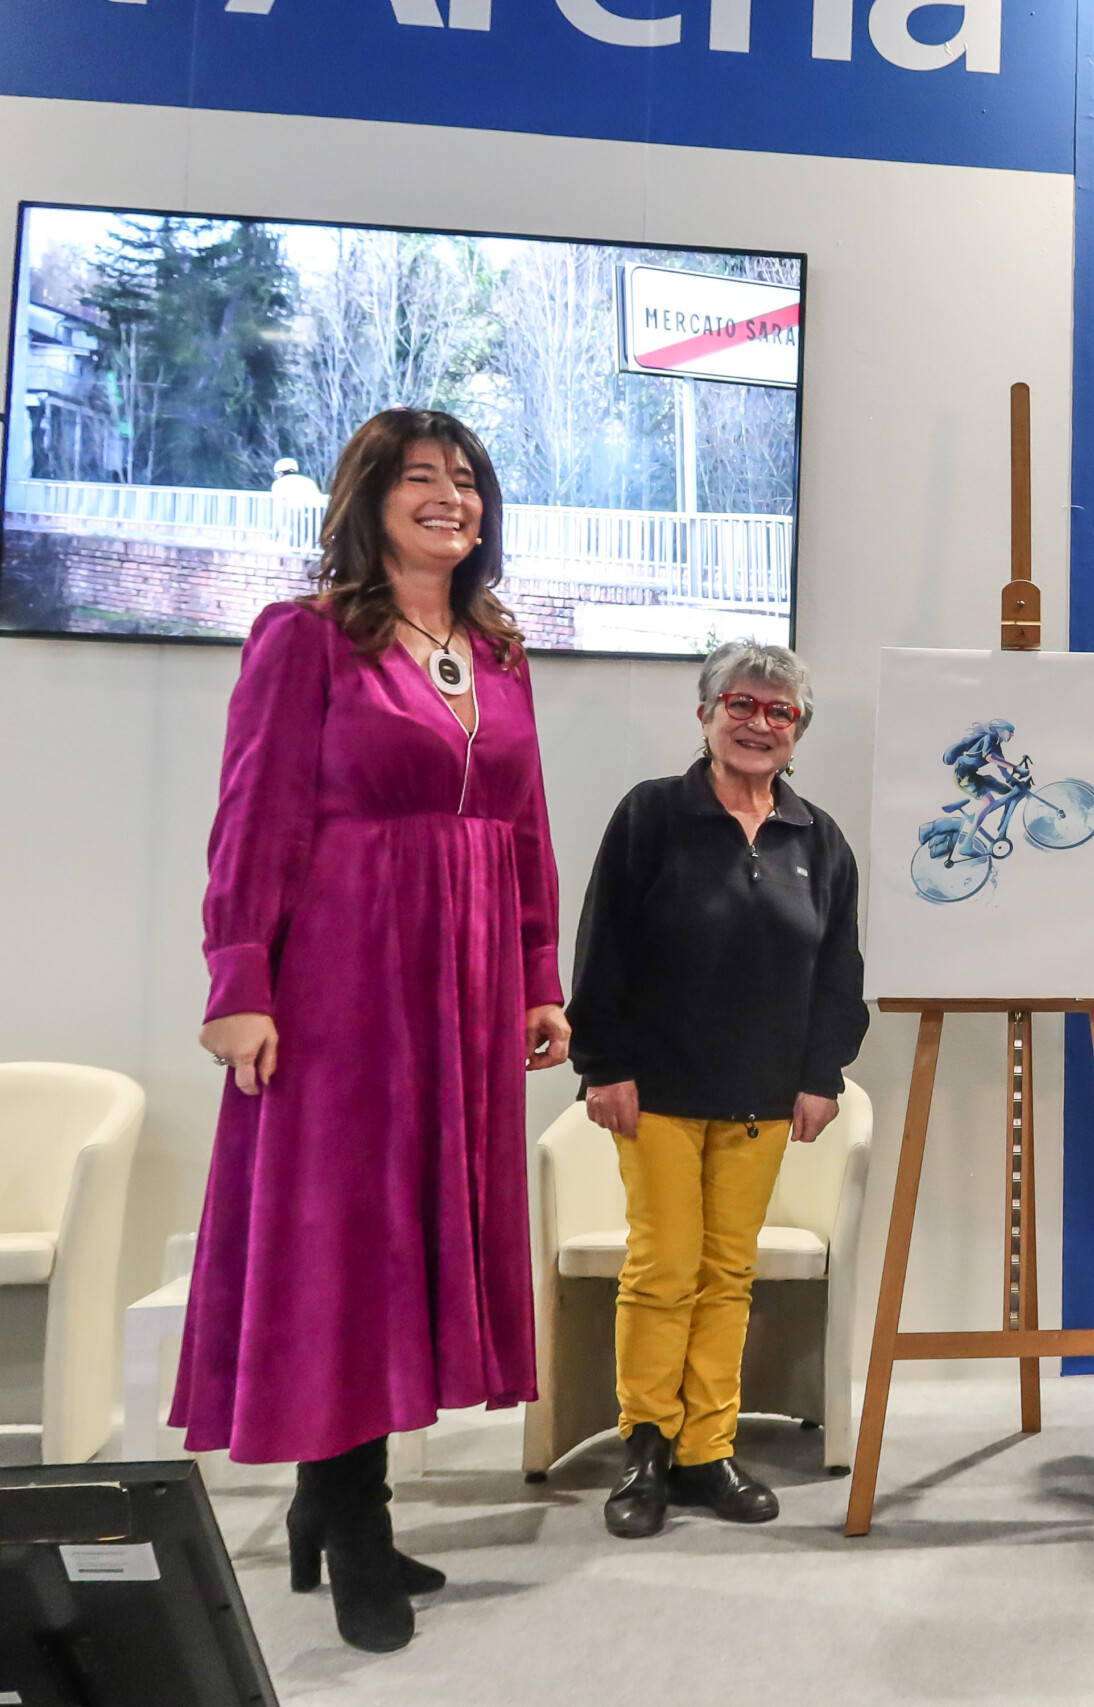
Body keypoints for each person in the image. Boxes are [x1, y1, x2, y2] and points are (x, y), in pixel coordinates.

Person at [180, 409, 569, 1654]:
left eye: (466, 480)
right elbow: (254, 815)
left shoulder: (499, 652)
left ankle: (334, 1501)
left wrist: (537, 975)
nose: (450, 497)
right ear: (368, 498)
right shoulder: (304, 637)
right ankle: (350, 1521)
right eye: (421, 478)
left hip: (464, 979)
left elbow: (522, 829)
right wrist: (240, 979)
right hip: (341, 977)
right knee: (345, 1243)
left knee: (413, 1236)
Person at [567, 642, 867, 1540]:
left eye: (780, 711)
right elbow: (603, 944)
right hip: (655, 1089)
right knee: (664, 1268)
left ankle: (708, 1448)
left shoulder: (819, 838)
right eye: (741, 703)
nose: (758, 723)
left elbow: (838, 972)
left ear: (798, 731)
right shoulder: (652, 813)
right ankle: (647, 1448)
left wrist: (821, 1076)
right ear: (705, 714)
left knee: (729, 1275)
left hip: (763, 1097)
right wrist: (603, 1065)